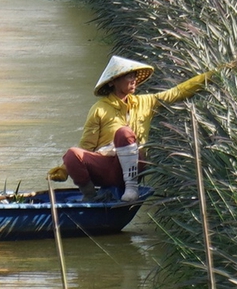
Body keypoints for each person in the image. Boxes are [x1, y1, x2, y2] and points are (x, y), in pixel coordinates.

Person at [50, 54, 218, 202]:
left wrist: (214, 74)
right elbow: (87, 145)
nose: (134, 80)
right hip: (106, 166)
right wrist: (65, 169)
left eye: (134, 76)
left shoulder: (146, 102)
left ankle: (131, 188)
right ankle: (90, 195)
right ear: (114, 81)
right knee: (71, 154)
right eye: (128, 76)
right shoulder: (99, 109)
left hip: (135, 165)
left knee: (124, 133)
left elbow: (178, 92)